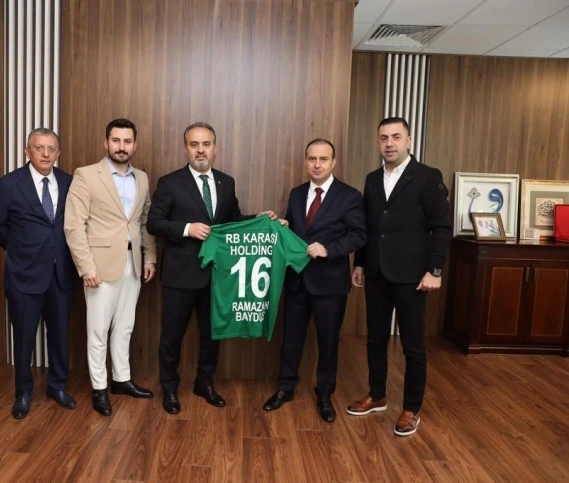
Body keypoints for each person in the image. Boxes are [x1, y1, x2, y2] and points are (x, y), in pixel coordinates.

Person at [147, 122, 277, 414]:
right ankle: (169, 388)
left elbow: (232, 221)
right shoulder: (170, 182)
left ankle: (204, 383)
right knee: (172, 335)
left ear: (215, 148)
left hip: (218, 275)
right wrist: (187, 228)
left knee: (212, 333)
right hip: (180, 274)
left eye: (206, 144)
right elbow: (154, 223)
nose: (200, 150)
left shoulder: (226, 182)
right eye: (194, 144)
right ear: (186, 149)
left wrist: (260, 219)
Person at [347, 117, 451, 436]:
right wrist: (360, 263)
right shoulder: (372, 179)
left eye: (395, 137)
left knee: (412, 346)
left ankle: (410, 408)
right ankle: (377, 395)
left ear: (408, 141)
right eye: (383, 138)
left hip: (412, 276)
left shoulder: (428, 177)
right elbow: (369, 227)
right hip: (377, 273)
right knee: (375, 339)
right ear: (378, 142)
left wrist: (435, 270)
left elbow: (441, 227)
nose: (389, 143)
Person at [262, 139, 367, 422]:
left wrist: (329, 249)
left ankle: (325, 394)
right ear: (306, 161)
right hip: (297, 280)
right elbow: (295, 231)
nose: (317, 164)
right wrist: (284, 225)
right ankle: (285, 388)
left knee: (328, 342)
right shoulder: (297, 194)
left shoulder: (350, 196)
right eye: (312, 159)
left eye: (323, 159)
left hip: (330, 283)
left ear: (334, 162)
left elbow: (359, 235)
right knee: (291, 338)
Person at [64, 118, 157, 416]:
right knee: (98, 330)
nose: (121, 146)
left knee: (125, 325)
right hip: (99, 267)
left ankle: (121, 379)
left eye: (127, 141)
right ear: (106, 143)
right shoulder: (86, 175)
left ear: (134, 145)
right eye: (116, 140)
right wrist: (86, 267)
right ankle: (99, 388)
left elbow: (144, 221)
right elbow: (73, 226)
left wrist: (150, 256)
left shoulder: (142, 178)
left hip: (133, 264)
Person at [0, 128, 77, 419]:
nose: (46, 154)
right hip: (24, 276)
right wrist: (21, 250)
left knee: (60, 336)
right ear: (27, 151)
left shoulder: (69, 182)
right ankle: (23, 392)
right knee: (24, 338)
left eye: (51, 148)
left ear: (58, 152)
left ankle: (57, 387)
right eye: (39, 148)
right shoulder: (9, 184)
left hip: (61, 274)